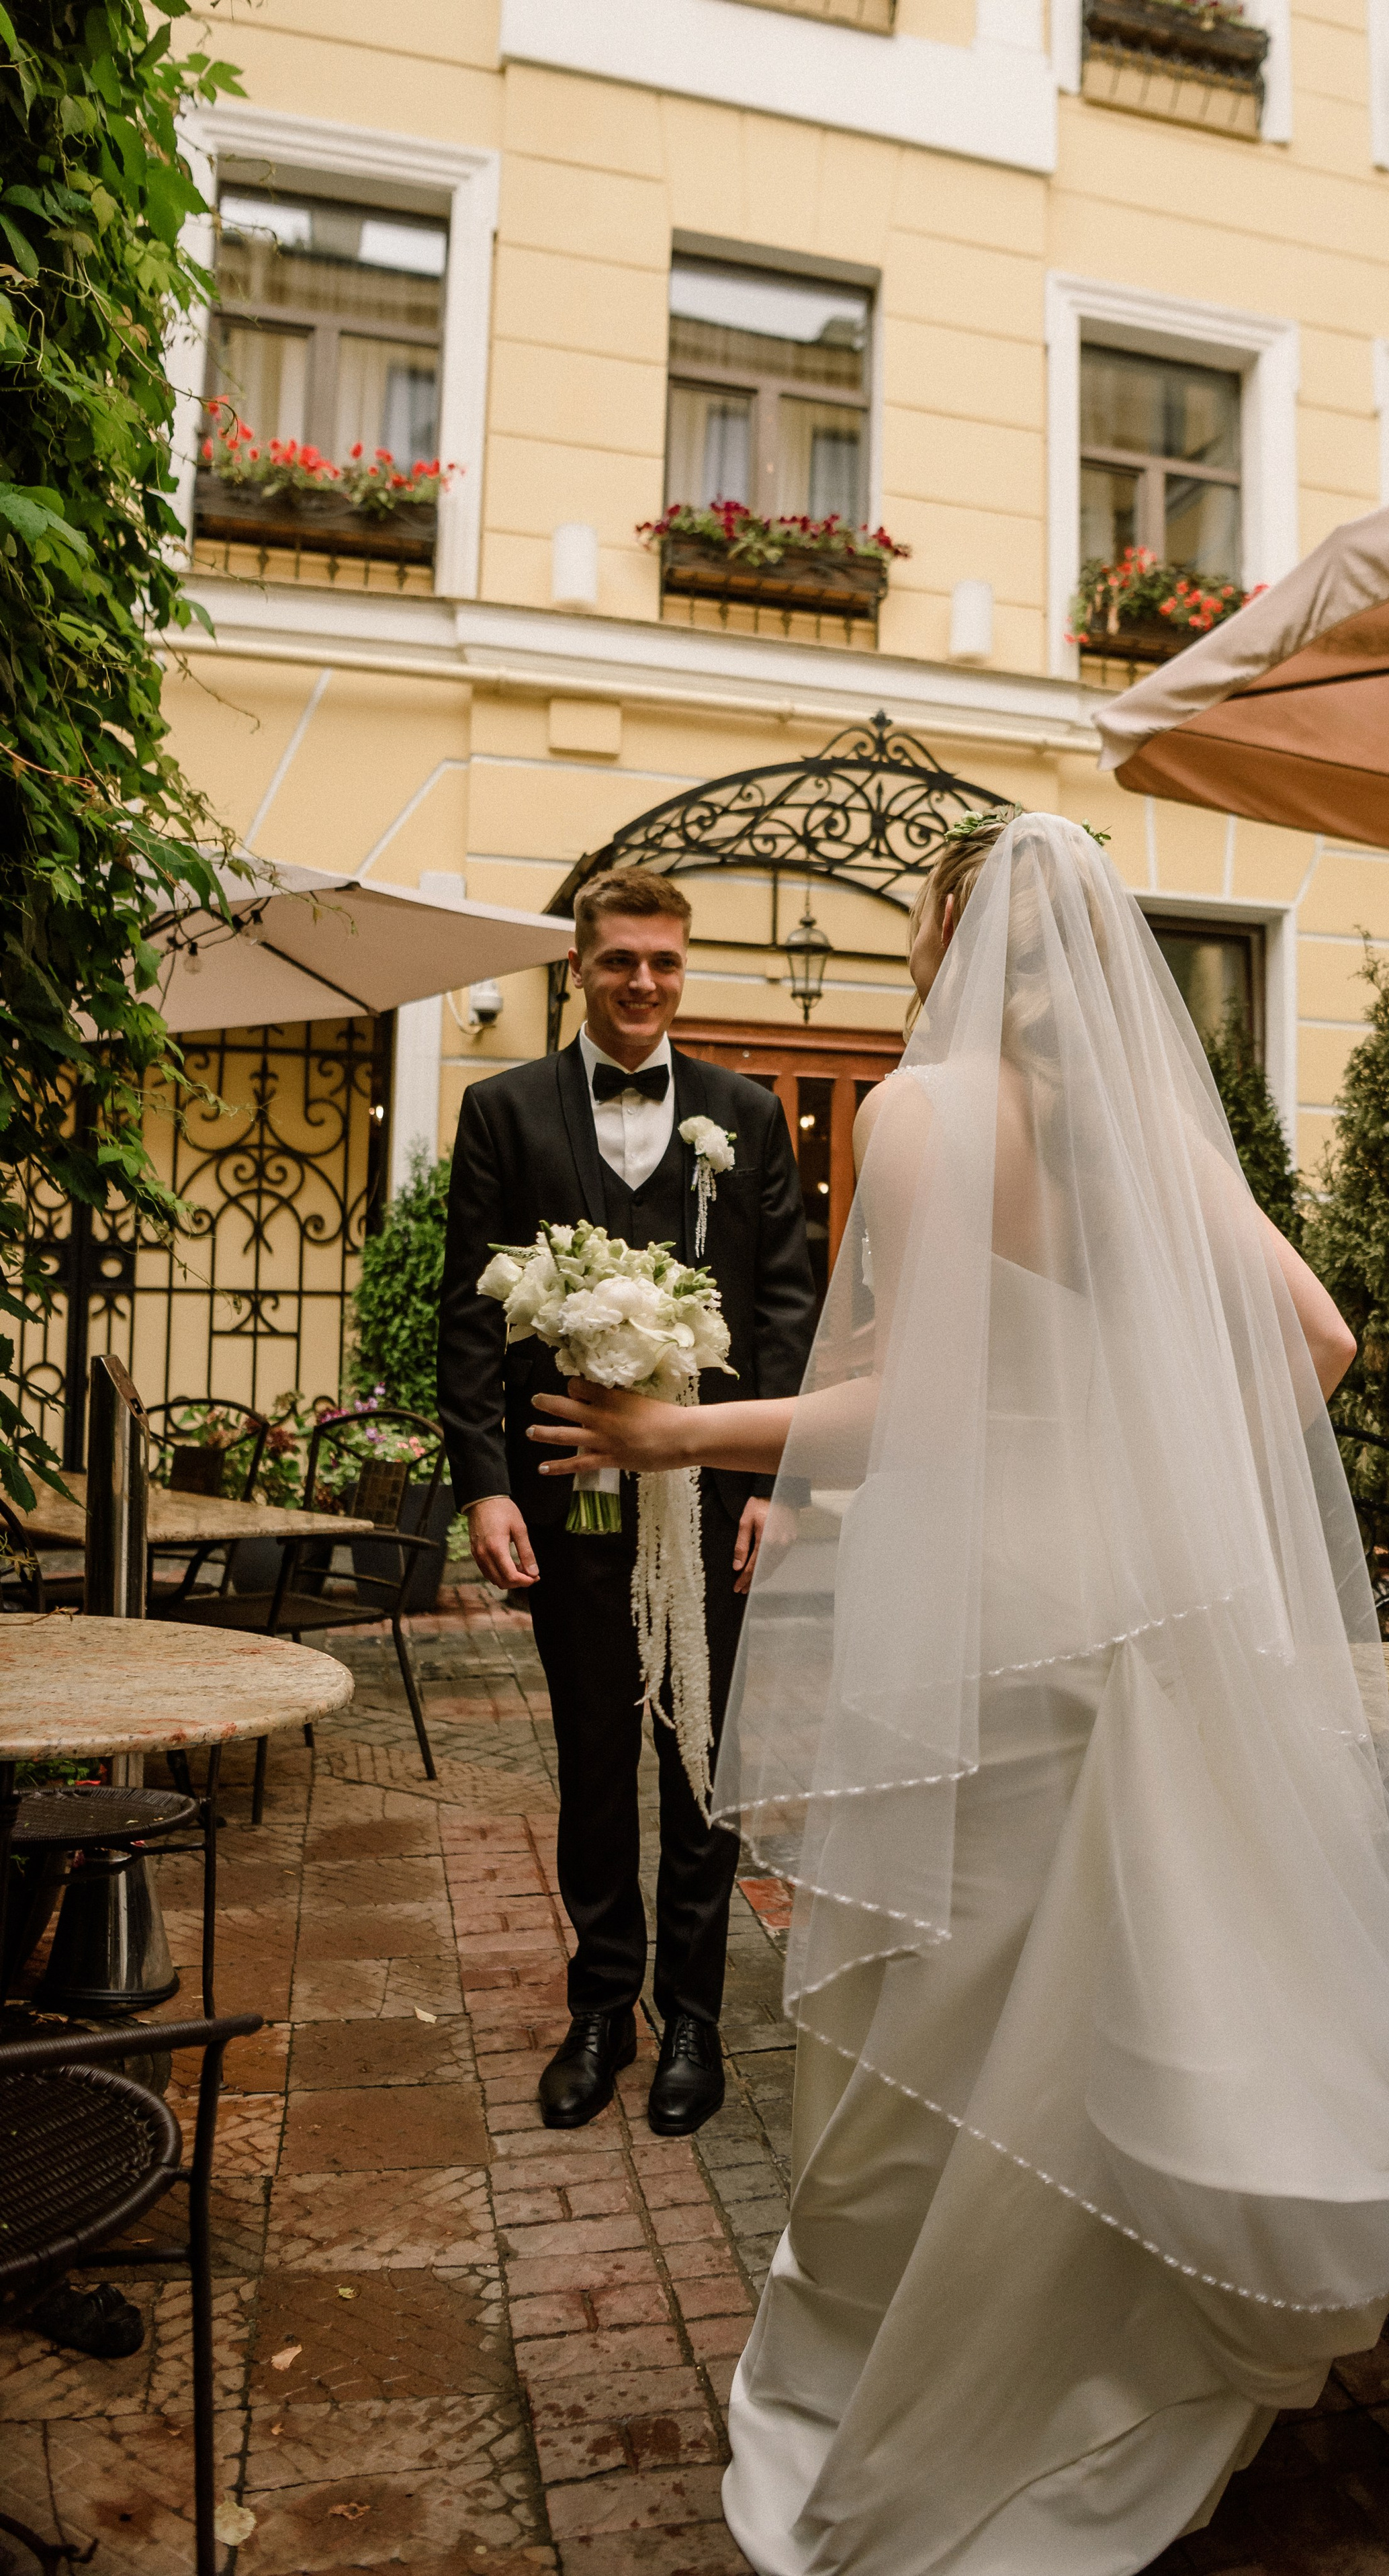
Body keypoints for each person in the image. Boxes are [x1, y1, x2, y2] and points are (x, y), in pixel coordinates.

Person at [528, 816, 1389, 2575]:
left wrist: (676, 1427)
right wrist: (1168, 1485)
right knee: (1133, 2005)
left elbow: (910, 1406)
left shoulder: (919, 1113)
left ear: (943, 932)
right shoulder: (1145, 1129)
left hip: (989, 1628)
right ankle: (1110, 2374)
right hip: (1145, 1627)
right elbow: (1324, 1343)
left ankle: (939, 2404)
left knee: (945, 2039)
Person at [438, 866, 816, 2139]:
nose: (643, 982)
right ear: (579, 968)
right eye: (618, 962)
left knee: (700, 1757)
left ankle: (695, 2018)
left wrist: (773, 1484)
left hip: (712, 1500)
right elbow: (470, 1323)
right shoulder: (501, 1111)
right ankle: (601, 2007)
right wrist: (484, 1488)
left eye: (663, 961)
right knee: (595, 1753)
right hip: (563, 1492)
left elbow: (780, 1306)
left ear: (682, 966)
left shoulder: (746, 1115)